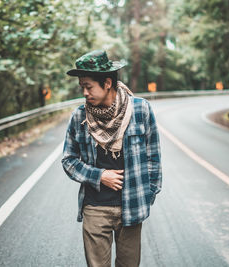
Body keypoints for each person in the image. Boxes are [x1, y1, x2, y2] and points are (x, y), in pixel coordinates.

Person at [62, 50, 162, 267]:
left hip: (132, 207)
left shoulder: (140, 109)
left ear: (107, 83)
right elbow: (69, 160)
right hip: (95, 208)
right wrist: (100, 176)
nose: (85, 93)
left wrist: (147, 196)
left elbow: (153, 158)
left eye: (88, 86)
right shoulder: (79, 116)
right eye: (82, 87)